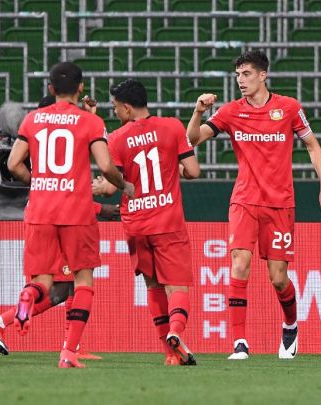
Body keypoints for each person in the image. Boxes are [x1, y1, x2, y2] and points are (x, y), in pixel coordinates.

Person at [186, 50, 321, 360]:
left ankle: (291, 324)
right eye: (238, 75)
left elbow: (312, 145)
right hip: (244, 200)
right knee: (239, 264)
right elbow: (193, 139)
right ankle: (239, 342)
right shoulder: (230, 111)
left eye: (247, 74)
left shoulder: (289, 108)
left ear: (263, 75)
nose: (241, 80)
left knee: (278, 277)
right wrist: (198, 111)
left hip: (280, 203)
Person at [6, 61, 134, 368]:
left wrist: (37, 181)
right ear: (81, 87)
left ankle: (28, 296)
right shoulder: (90, 123)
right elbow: (105, 166)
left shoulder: (33, 119)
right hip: (76, 212)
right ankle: (69, 353)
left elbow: (13, 164)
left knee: (43, 280)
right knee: (83, 279)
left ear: (51, 89)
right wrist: (124, 185)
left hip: (40, 210)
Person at [92, 79, 200, 366]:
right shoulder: (173, 126)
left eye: (115, 108)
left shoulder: (116, 139)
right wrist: (170, 168)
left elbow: (110, 188)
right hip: (168, 220)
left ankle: (169, 355)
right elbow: (193, 170)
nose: (115, 112)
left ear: (127, 107)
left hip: (136, 224)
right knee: (177, 287)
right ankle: (176, 334)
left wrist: (92, 187)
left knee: (153, 287)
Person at [0, 202, 119, 359]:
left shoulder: (41, 182)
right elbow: (66, 195)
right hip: (58, 222)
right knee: (63, 289)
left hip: (41, 218)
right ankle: (0, 321)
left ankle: (72, 345)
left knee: (70, 285)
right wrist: (100, 208)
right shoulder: (63, 182)